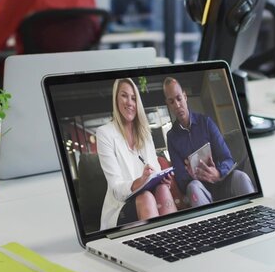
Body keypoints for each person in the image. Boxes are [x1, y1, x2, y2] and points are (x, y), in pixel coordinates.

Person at [96, 78, 176, 230]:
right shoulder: (104, 133)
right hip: (120, 207)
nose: (130, 103)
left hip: (150, 197)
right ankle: (156, 247)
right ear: (116, 98)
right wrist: (140, 181)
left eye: (133, 98)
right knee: (145, 197)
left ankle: (175, 242)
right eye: (124, 96)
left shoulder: (145, 134)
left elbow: (156, 170)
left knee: (163, 189)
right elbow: (116, 189)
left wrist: (162, 179)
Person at [163, 77, 255, 207]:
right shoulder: (172, 137)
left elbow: (227, 158)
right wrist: (193, 176)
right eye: (172, 101)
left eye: (179, 98)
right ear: (168, 104)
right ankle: (210, 226)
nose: (177, 105)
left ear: (185, 96)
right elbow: (181, 179)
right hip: (200, 189)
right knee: (193, 187)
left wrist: (218, 173)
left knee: (240, 176)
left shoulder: (206, 122)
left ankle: (255, 215)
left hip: (222, 182)